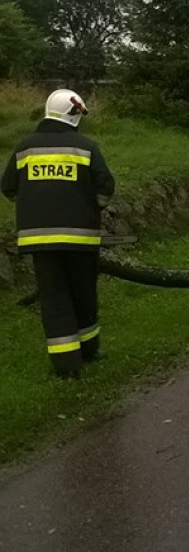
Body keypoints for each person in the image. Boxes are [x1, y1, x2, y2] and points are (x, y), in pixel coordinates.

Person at [1, 89, 115, 380]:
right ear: (75, 114)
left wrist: (36, 206)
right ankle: (90, 350)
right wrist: (89, 208)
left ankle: (66, 368)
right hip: (80, 238)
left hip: (39, 240)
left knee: (55, 299)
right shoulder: (87, 148)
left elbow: (8, 188)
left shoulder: (24, 148)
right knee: (83, 294)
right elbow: (105, 188)